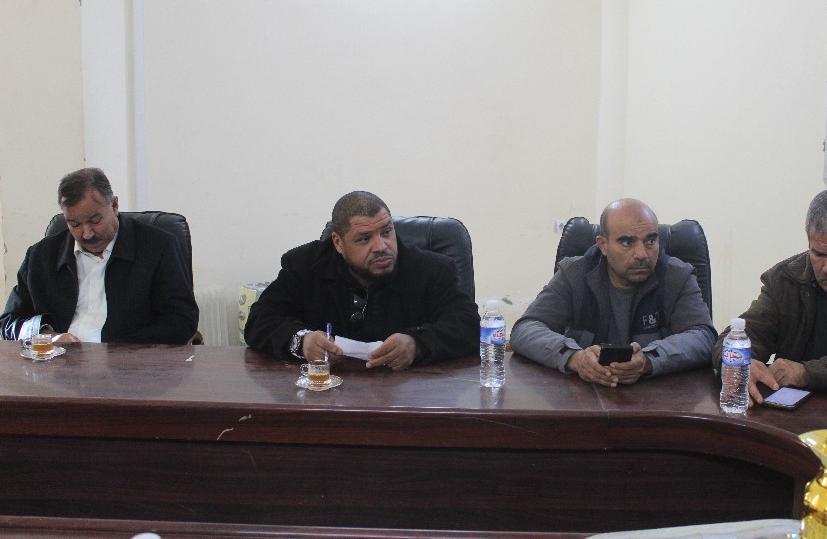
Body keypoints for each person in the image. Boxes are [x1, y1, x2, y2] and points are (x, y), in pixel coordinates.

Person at [244, 191, 479, 370]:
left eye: (386, 232)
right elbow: (261, 320)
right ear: (338, 243)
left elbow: (468, 326)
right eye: (364, 239)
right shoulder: (305, 266)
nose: (381, 246)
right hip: (327, 397)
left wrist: (417, 344)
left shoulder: (432, 270)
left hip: (408, 397)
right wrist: (302, 341)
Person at [713, 187, 827, 402]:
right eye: (818, 253)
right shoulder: (785, 280)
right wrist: (740, 364)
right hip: (793, 414)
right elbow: (740, 336)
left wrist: (810, 373)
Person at [510, 198, 716, 386]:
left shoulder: (677, 277)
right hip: (584, 397)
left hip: (657, 398)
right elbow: (526, 328)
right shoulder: (574, 273)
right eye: (627, 242)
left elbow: (703, 337)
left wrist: (649, 360)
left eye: (650, 241)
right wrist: (575, 357)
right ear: (603, 245)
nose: (642, 254)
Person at [1, 167, 199, 344]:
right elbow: (9, 323)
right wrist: (48, 336)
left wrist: (115, 351)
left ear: (114, 206)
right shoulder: (41, 256)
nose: (87, 234)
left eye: (95, 220)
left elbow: (181, 321)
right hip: (59, 366)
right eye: (75, 224)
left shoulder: (157, 247)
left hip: (128, 366)